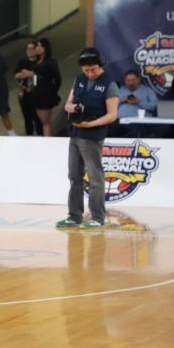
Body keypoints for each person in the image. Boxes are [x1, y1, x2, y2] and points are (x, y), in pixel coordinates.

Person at [56, 47, 119, 229]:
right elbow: (67, 104)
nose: (90, 73)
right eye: (86, 70)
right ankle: (74, 215)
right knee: (74, 176)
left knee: (95, 177)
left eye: (93, 70)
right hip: (75, 134)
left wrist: (90, 124)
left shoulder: (109, 83)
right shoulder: (79, 79)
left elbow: (112, 115)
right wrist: (73, 108)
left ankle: (97, 217)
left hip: (92, 136)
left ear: (101, 65)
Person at [21, 37, 62, 137]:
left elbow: (57, 79)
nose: (38, 48)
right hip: (36, 93)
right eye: (37, 46)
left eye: (41, 46)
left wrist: (52, 91)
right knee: (40, 120)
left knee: (45, 121)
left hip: (45, 94)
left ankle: (48, 141)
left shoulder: (51, 62)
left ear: (46, 48)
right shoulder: (38, 61)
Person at [109, 69, 158, 137]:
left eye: (133, 80)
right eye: (128, 80)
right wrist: (121, 100)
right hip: (119, 122)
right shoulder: (119, 90)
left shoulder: (147, 90)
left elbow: (153, 106)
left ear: (138, 79)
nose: (131, 83)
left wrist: (139, 102)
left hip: (139, 123)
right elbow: (110, 106)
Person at [14, 39, 42, 136]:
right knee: (27, 118)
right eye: (28, 49)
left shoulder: (39, 62)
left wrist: (29, 73)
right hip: (24, 93)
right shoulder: (22, 62)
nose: (29, 51)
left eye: (32, 48)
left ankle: (40, 136)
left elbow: (40, 75)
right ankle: (29, 136)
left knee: (37, 118)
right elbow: (16, 75)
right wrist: (26, 74)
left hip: (36, 93)